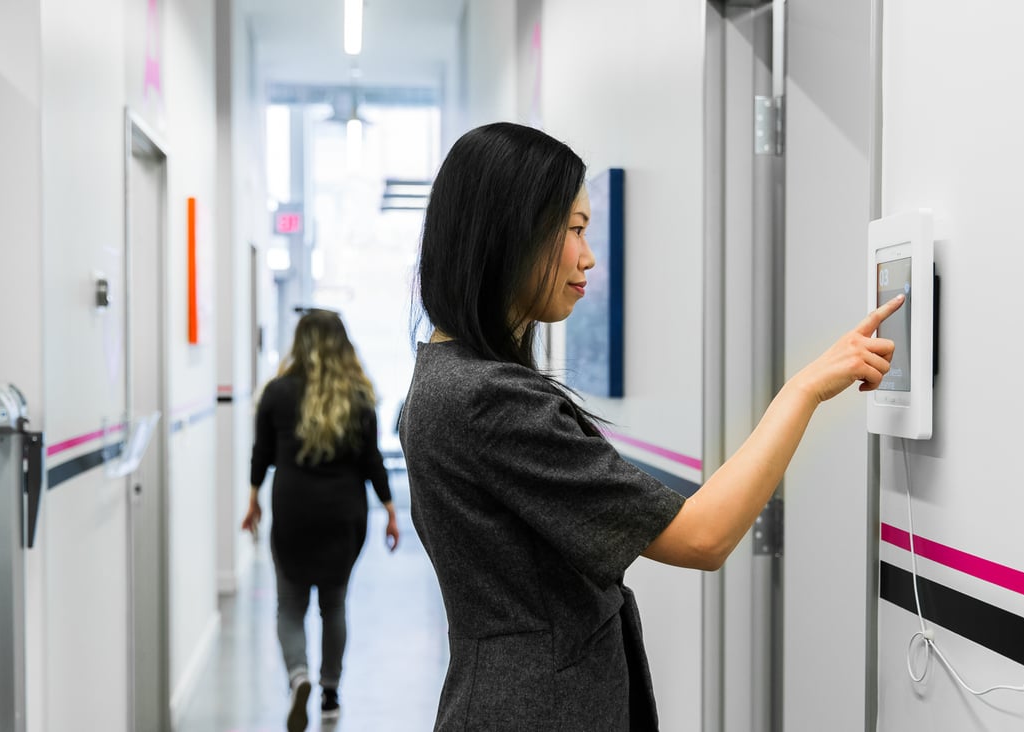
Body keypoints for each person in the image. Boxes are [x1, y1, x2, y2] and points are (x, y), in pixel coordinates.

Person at [398, 122, 903, 731]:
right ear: (511, 230)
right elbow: (703, 537)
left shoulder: (443, 377)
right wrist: (805, 389)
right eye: (575, 230)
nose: (588, 256)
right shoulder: (487, 400)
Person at [244, 308, 400, 732]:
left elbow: (261, 454)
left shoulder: (277, 393)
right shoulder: (359, 396)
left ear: (301, 344)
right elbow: (372, 461)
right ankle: (330, 694)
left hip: (293, 511)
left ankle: (299, 676)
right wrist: (389, 509)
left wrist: (253, 499)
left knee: (289, 606)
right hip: (343, 514)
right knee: (333, 605)